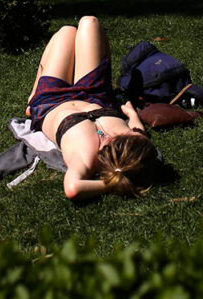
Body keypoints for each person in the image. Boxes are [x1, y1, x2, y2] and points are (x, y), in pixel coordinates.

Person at [25, 16, 163, 200]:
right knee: (90, 22)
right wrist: (131, 114)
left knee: (66, 31)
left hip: (51, 100)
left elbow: (73, 188)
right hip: (94, 94)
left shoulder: (85, 157)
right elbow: (139, 131)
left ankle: (33, 97)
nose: (133, 133)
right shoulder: (134, 145)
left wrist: (115, 181)